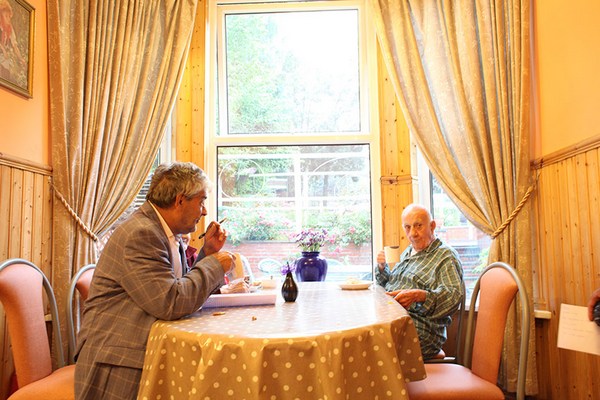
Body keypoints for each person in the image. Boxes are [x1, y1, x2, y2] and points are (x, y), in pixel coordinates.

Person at [74, 162, 234, 399]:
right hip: (116, 361)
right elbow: (170, 302)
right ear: (180, 200)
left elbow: (176, 284)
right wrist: (213, 267)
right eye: (201, 201)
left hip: (135, 349)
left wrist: (207, 253)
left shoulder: (164, 231)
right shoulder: (142, 233)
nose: (204, 211)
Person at [375, 203, 464, 359]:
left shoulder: (445, 256)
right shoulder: (409, 251)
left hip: (421, 329)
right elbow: (390, 284)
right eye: (407, 227)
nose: (413, 234)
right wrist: (382, 268)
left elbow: (453, 297)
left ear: (432, 226)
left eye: (418, 226)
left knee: (368, 340)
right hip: (395, 317)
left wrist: (420, 296)